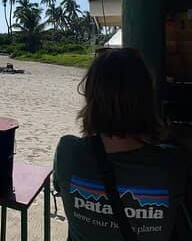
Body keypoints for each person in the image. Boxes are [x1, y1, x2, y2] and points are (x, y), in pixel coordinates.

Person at [54, 48, 190, 240]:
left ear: (91, 97)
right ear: (147, 100)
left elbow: (60, 188)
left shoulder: (68, 152)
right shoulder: (173, 165)